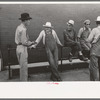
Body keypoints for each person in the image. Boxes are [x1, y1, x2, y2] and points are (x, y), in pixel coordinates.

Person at [15, 13, 35, 81]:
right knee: (24, 69)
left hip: (18, 48)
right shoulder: (23, 29)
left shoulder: (18, 27)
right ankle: (24, 85)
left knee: (21, 67)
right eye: (28, 20)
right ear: (25, 20)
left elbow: (20, 40)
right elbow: (24, 42)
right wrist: (31, 43)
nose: (29, 21)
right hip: (23, 49)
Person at [86, 16, 100, 81]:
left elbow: (88, 40)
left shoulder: (94, 30)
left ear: (97, 22)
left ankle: (93, 84)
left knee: (93, 68)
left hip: (95, 51)